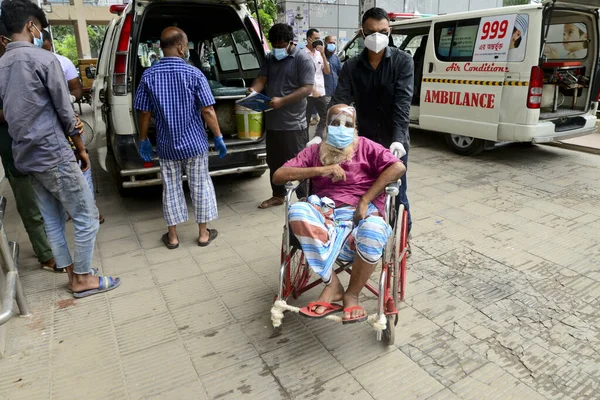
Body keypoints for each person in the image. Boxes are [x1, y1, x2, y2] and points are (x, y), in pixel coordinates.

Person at [0, 0, 119, 297]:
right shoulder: (44, 60)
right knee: (86, 215)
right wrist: (80, 149)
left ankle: (71, 272)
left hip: (25, 156)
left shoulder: (1, 66)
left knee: (52, 218)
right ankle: (82, 279)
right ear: (31, 26)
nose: (39, 32)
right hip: (53, 153)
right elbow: (67, 113)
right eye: (39, 27)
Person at [273, 104, 405, 323]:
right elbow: (279, 176)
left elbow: (398, 167)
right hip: (325, 213)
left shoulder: (366, 147)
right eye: (336, 123)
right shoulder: (315, 151)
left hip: (362, 213)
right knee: (297, 211)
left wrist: (365, 200)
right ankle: (332, 283)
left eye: (348, 124)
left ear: (355, 128)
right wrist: (320, 170)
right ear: (326, 126)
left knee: (374, 229)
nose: (341, 128)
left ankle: (352, 294)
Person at [134, 26, 226, 249]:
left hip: (166, 147)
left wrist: (144, 139)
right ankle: (203, 234)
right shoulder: (194, 74)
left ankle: (173, 237)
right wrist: (218, 137)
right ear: (182, 46)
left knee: (171, 188)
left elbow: (144, 112)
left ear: (161, 47)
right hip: (194, 144)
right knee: (200, 185)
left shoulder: (149, 75)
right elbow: (208, 111)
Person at [330, 7, 414, 249]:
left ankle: (402, 240)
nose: (377, 36)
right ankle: (368, 237)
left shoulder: (402, 61)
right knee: (363, 189)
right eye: (371, 32)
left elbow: (402, 104)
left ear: (390, 31)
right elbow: (340, 102)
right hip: (364, 142)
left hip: (394, 142)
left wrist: (398, 139)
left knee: (397, 194)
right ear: (361, 33)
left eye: (383, 31)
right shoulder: (351, 67)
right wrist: (324, 135)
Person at [0, 21, 56, 272]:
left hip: (40, 143)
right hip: (12, 146)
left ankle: (54, 245)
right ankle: (45, 253)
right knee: (28, 203)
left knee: (48, 196)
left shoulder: (27, 64)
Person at [248, 23, 315, 209]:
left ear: (290, 42)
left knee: (299, 163)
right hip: (273, 121)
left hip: (294, 123)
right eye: (275, 45)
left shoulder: (302, 59)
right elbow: (262, 79)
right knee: (274, 161)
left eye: (281, 45)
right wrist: (253, 91)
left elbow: (307, 88)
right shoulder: (270, 58)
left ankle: (307, 200)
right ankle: (278, 195)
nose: (277, 49)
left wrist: (282, 101)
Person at [41, 29, 104, 224]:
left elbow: (75, 90)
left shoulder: (60, 62)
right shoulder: (21, 65)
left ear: (50, 44)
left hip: (64, 125)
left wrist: (70, 98)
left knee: (81, 169)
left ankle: (90, 209)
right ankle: (73, 210)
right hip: (43, 133)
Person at [304, 28, 330, 138]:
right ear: (309, 39)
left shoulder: (320, 54)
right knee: (305, 119)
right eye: (316, 39)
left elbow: (327, 71)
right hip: (307, 94)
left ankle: (318, 136)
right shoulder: (302, 54)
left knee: (326, 116)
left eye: (319, 39)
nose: (318, 41)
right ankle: (303, 141)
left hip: (320, 92)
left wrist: (323, 55)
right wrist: (312, 90)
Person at [323, 35, 342, 108]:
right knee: (325, 113)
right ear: (325, 43)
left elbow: (341, 73)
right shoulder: (320, 56)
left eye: (334, 43)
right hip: (325, 93)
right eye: (330, 42)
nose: (332, 45)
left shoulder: (336, 58)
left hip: (335, 93)